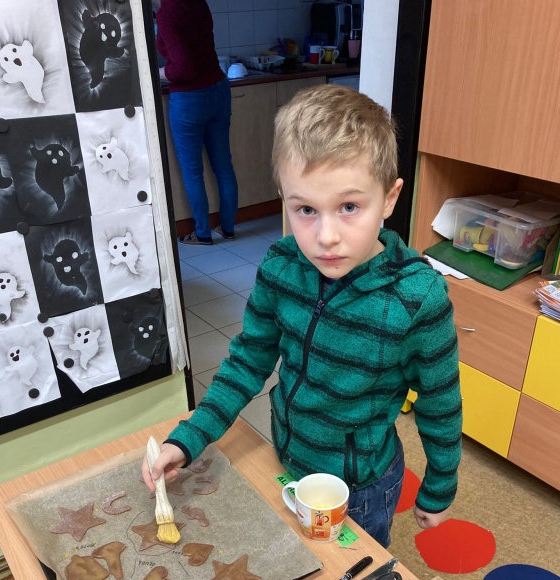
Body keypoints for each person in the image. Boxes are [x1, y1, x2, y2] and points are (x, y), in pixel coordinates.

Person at [143, 84, 463, 548]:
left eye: (349, 207)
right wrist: (188, 438)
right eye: (306, 209)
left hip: (361, 487)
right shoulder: (281, 266)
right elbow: (246, 362)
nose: (325, 236)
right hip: (287, 457)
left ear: (390, 198)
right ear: (284, 199)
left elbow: (440, 403)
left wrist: (439, 488)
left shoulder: (418, 297)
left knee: (355, 573)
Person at [155, 0, 238, 245]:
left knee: (193, 173)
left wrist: (154, 72)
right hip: (218, 90)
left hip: (189, 98)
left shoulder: (167, 14)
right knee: (223, 167)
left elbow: (183, 68)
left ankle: (202, 234)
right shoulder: (196, 2)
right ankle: (228, 229)